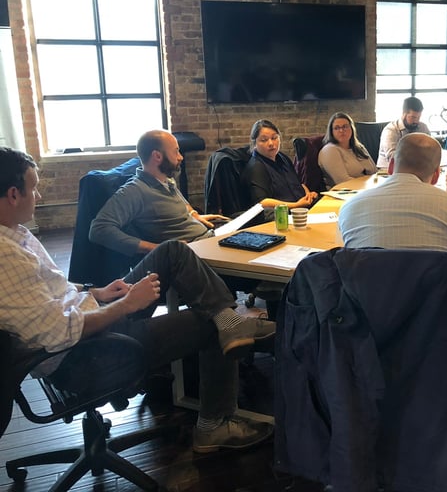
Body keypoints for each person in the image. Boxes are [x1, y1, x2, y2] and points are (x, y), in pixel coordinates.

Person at [0, 147, 275, 453]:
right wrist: (127, 305)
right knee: (208, 322)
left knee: (172, 251)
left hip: (89, 318)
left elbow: (52, 287)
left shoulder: (15, 233)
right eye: (34, 189)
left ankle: (230, 320)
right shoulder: (5, 255)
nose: (38, 196)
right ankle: (214, 426)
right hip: (83, 357)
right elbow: (59, 332)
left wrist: (96, 292)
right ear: (13, 194)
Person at [339, 133, 447, 255]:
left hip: (369, 280)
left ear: (391, 166)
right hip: (435, 280)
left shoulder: (349, 208)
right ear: (436, 175)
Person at [90, 130, 228, 257]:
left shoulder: (166, 180)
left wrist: (194, 215)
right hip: (196, 252)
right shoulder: (135, 190)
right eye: (176, 152)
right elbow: (99, 229)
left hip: (209, 238)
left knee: (238, 221)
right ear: (157, 156)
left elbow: (182, 204)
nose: (180, 157)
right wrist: (156, 248)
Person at [241, 119, 318, 223]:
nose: (271, 143)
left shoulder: (282, 157)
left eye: (274, 138)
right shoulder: (256, 167)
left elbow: (299, 183)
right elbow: (262, 202)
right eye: (264, 140)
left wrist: (308, 195)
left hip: (303, 209)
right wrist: (296, 205)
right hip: (282, 217)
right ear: (255, 143)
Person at [318, 112, 376, 188]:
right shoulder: (329, 150)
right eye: (337, 128)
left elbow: (374, 171)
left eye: (345, 127)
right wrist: (368, 185)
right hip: (345, 191)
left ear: (351, 128)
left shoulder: (359, 147)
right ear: (331, 132)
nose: (341, 130)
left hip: (367, 188)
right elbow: (342, 181)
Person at [376, 97, 431, 168]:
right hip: (388, 170)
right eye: (413, 117)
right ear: (404, 114)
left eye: (419, 117)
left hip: (415, 169)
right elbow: (393, 157)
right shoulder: (391, 130)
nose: (416, 121)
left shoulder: (423, 128)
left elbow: (430, 148)